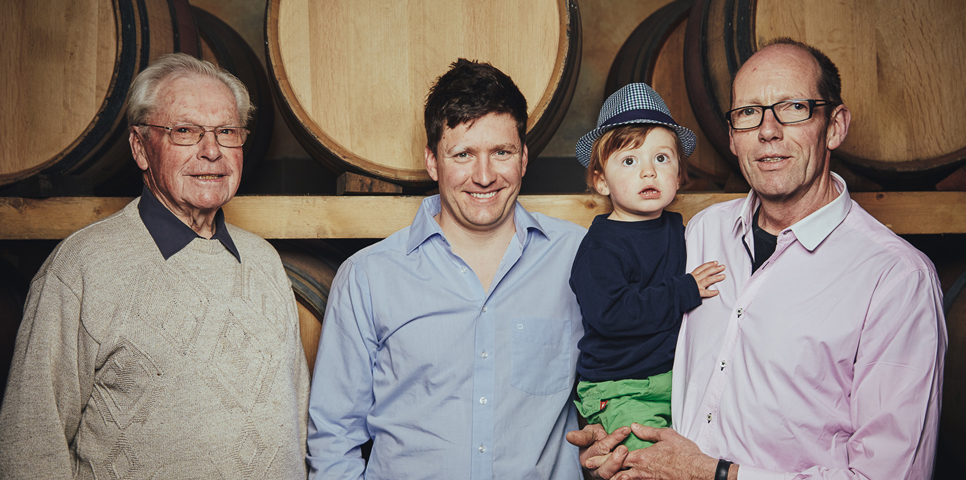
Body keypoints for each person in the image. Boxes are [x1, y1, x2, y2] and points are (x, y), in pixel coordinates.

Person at [568, 38, 947, 480]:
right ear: (732, 136)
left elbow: (889, 474)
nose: (768, 130)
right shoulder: (703, 232)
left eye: (794, 107)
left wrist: (715, 474)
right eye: (749, 113)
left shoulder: (897, 279)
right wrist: (610, 442)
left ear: (835, 126)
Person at [0, 53, 309, 478]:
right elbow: (31, 441)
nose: (211, 151)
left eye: (226, 132)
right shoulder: (83, 266)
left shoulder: (264, 261)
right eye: (185, 131)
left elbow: (297, 420)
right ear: (140, 148)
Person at [305, 58, 586, 479]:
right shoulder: (368, 277)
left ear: (524, 158)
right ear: (433, 161)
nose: (484, 176)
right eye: (463, 154)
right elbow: (333, 438)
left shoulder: (578, 258)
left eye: (502, 152)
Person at [570, 83, 725, 451]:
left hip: (674, 379)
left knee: (704, 453)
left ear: (680, 174)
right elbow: (613, 314)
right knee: (649, 463)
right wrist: (683, 291)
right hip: (621, 386)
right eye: (629, 161)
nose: (648, 172)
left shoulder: (682, 231)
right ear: (601, 182)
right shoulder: (600, 248)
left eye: (661, 158)